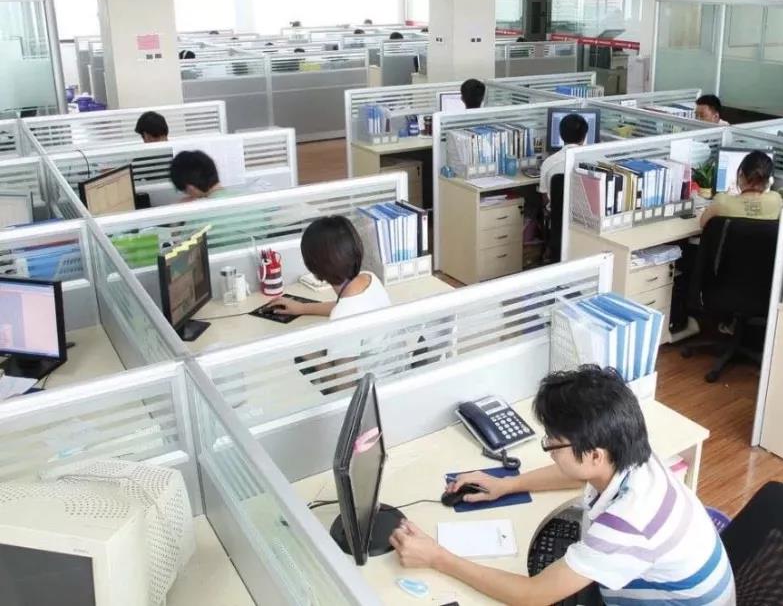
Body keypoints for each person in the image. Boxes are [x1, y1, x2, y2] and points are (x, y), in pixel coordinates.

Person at [389, 365, 736, 606]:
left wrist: (438, 557)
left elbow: (531, 595)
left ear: (595, 455)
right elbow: (577, 472)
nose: (550, 451)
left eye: (553, 444)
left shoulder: (626, 524)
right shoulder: (634, 456)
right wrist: (507, 485)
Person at [268, 216, 391, 320]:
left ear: (314, 266)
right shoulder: (369, 278)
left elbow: (344, 310)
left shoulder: (340, 316)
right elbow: (345, 306)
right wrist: (302, 308)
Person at [700, 150, 782, 226]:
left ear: (741, 175)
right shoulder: (776, 199)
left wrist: (726, 196)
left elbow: (702, 224)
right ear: (768, 181)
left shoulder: (722, 201)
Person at [539, 113, 588, 203]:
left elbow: (545, 196)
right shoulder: (591, 163)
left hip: (556, 211)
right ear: (584, 137)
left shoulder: (548, 163)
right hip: (582, 211)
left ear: (561, 135)